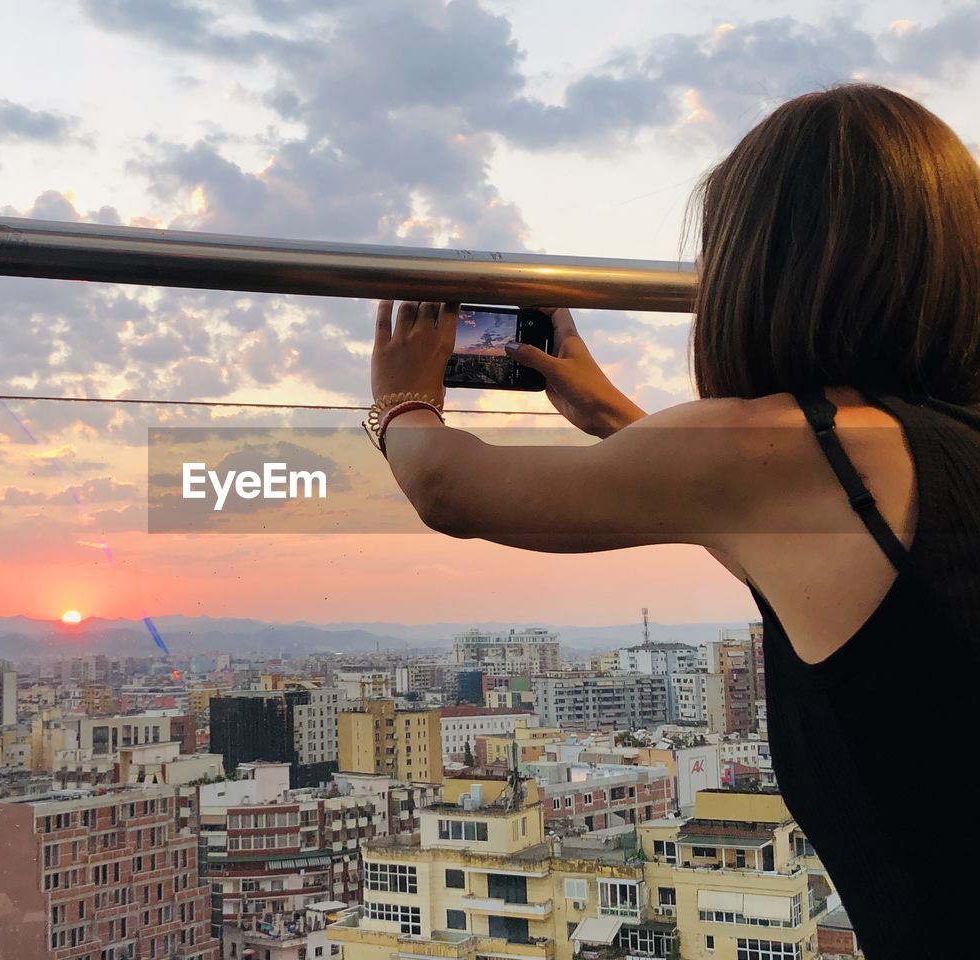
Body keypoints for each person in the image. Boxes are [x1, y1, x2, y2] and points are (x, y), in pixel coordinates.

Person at [366, 82, 980, 958]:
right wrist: (613, 413)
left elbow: (451, 488)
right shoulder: (920, 453)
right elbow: (770, 517)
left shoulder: (797, 449)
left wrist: (401, 398)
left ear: (760, 267)